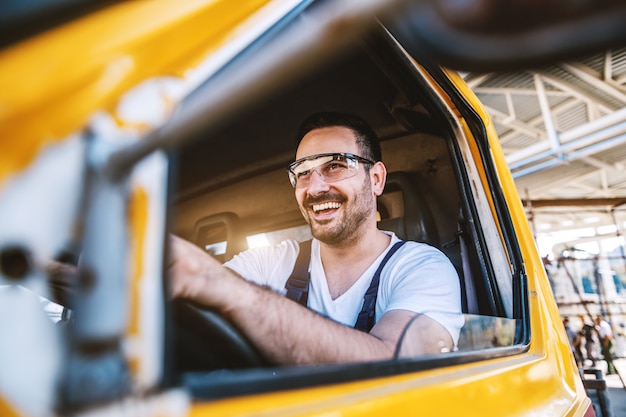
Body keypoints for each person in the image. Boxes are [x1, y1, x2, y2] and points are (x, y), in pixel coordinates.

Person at [168, 111, 463, 365]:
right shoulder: (268, 262)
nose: (315, 187)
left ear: (375, 179)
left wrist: (235, 294)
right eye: (303, 173)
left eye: (335, 165)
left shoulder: (421, 268)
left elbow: (398, 368)